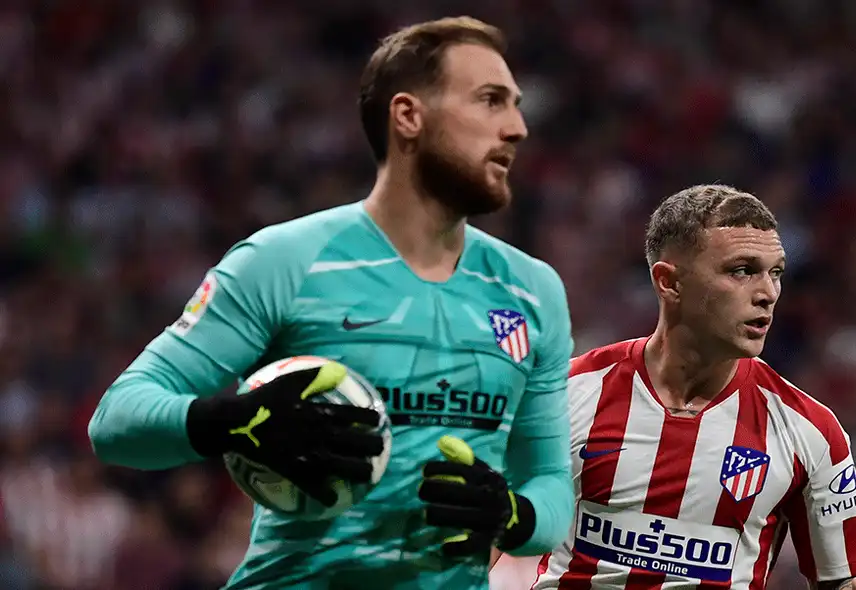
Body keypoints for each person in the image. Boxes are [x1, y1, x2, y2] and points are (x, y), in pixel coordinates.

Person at [87, 16, 575, 590]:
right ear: (408, 116)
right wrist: (230, 422)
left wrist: (513, 516)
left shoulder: (533, 290)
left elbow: (550, 480)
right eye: (491, 101)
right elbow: (116, 420)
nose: (517, 127)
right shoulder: (283, 261)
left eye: (516, 105)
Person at [490, 185, 856, 590]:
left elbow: (844, 582)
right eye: (742, 271)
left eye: (774, 273)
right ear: (669, 282)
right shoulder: (563, 396)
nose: (768, 293)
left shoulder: (811, 431)